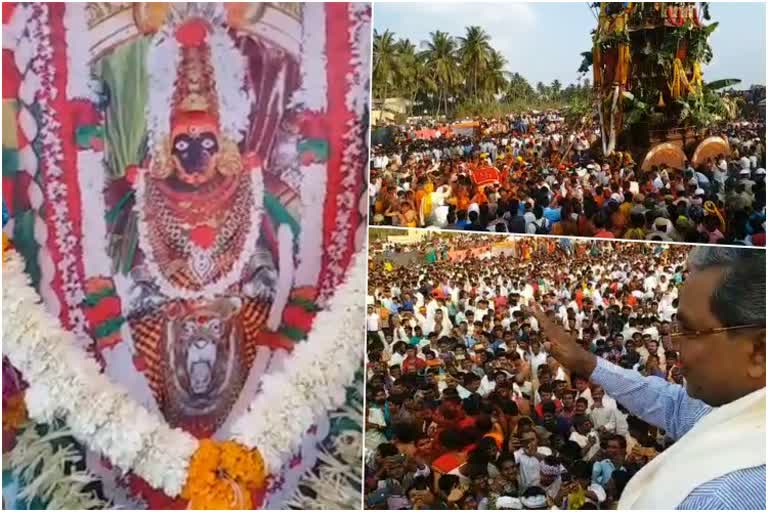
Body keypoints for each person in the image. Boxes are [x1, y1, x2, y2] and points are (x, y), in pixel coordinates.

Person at [531, 247, 766, 509]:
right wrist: (586, 362)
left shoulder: (717, 499)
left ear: (758, 351)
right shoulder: (727, 402)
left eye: (689, 331)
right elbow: (670, 402)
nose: (675, 345)